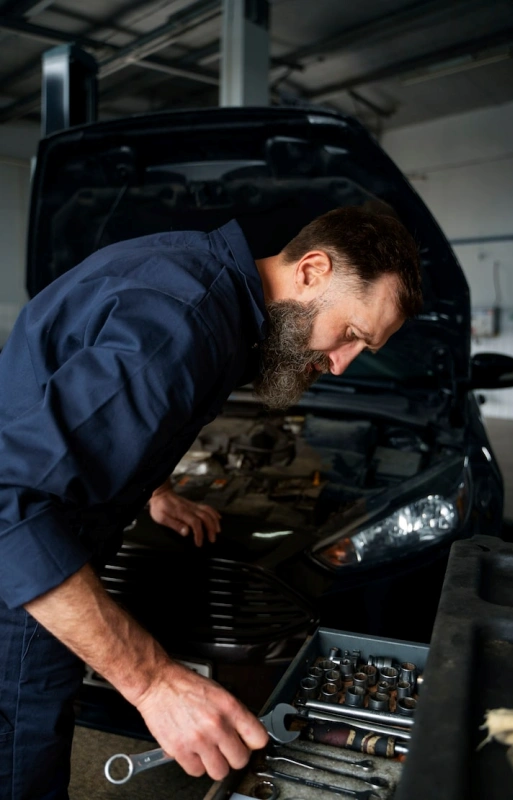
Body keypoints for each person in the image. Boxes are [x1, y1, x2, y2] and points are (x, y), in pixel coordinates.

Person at [0, 205, 422, 799]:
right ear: (312, 269)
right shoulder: (181, 324)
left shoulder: (204, 281)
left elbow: (111, 406)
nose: (339, 362)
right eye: (352, 334)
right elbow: (10, 500)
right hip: (22, 581)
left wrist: (155, 490)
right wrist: (153, 682)